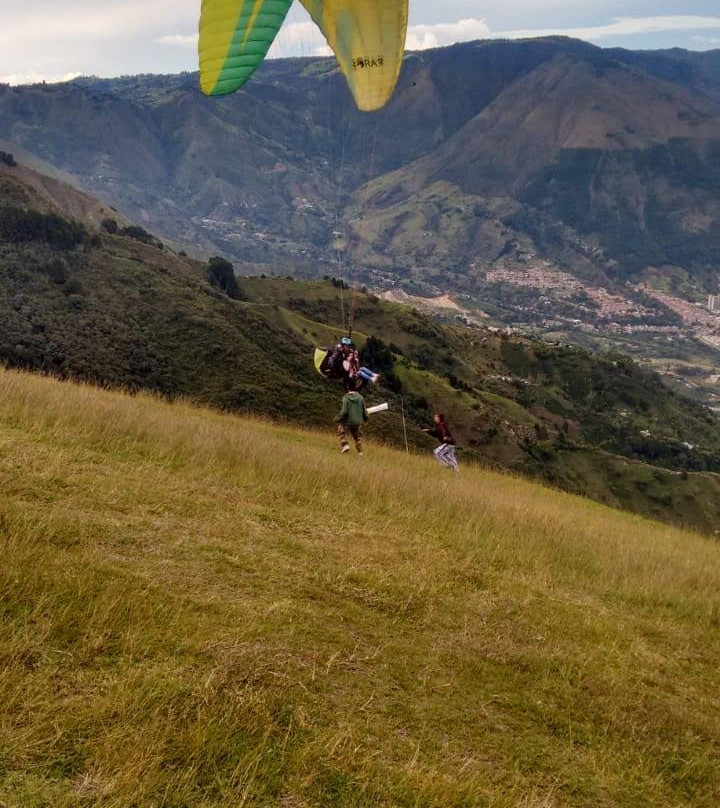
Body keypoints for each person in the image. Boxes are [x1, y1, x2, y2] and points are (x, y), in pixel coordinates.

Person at [335, 379, 369, 454]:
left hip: (348, 422)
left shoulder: (346, 398)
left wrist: (338, 419)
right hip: (358, 422)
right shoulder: (360, 398)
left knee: (341, 431)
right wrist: (366, 419)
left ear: (347, 387)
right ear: (355, 386)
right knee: (357, 437)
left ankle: (345, 445)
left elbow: (344, 412)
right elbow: (364, 410)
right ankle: (360, 452)